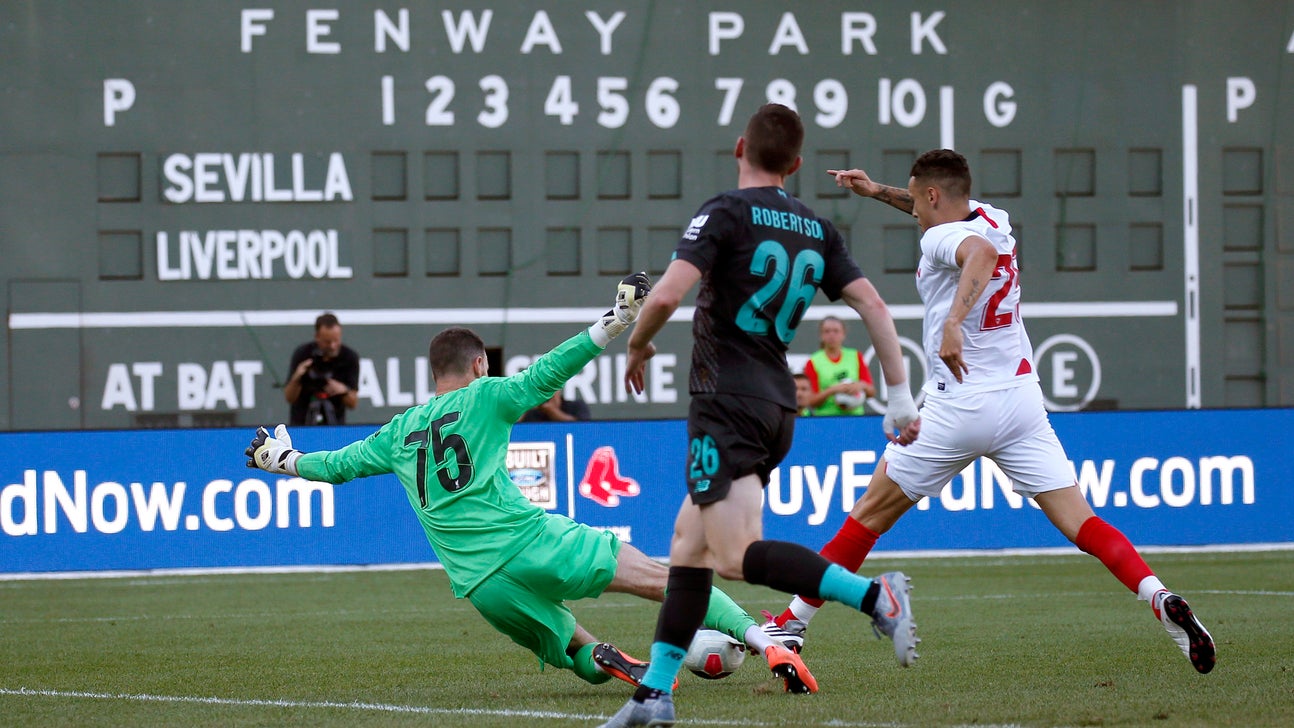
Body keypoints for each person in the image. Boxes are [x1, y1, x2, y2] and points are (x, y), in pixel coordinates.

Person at [245, 274, 817, 694]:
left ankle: (609, 661)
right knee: (665, 580)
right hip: (530, 541)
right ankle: (768, 641)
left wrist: (283, 459)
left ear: (432, 374)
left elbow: (337, 466)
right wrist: (612, 323)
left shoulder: (397, 433)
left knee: (573, 648)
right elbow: (547, 373)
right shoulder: (487, 395)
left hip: (478, 584)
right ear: (476, 366)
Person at [763, 149, 1216, 675]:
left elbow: (975, 253)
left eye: (914, 196)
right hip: (1021, 402)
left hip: (958, 404)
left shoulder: (944, 238)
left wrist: (955, 320)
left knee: (867, 517)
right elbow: (963, 229)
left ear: (931, 196)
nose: (911, 206)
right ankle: (1159, 597)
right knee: (1082, 521)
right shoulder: (993, 217)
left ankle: (792, 624)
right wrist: (876, 191)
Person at [601, 104, 923, 728]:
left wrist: (638, 344)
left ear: (740, 146)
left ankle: (872, 594)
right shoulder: (817, 227)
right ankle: (654, 696)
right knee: (687, 549)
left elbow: (667, 293)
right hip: (776, 403)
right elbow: (875, 307)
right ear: (797, 164)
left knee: (732, 555)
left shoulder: (724, 211)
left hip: (725, 401)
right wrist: (900, 395)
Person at [283, 312, 360, 426]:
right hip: (302, 424)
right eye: (328, 342)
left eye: (336, 340)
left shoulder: (349, 357)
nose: (333, 346)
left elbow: (353, 403)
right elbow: (289, 397)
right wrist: (298, 377)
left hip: (334, 425)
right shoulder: (303, 354)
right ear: (317, 337)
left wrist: (342, 390)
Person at [803, 315, 876, 416]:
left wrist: (860, 386)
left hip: (855, 417)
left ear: (843, 334)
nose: (831, 335)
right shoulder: (813, 362)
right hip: (825, 419)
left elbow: (871, 391)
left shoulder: (855, 356)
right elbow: (811, 402)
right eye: (827, 331)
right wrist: (832, 390)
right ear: (821, 335)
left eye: (836, 331)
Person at [520, 389, 592, 422]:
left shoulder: (576, 406)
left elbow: (582, 429)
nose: (546, 396)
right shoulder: (531, 413)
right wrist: (526, 406)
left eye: (550, 389)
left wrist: (551, 410)